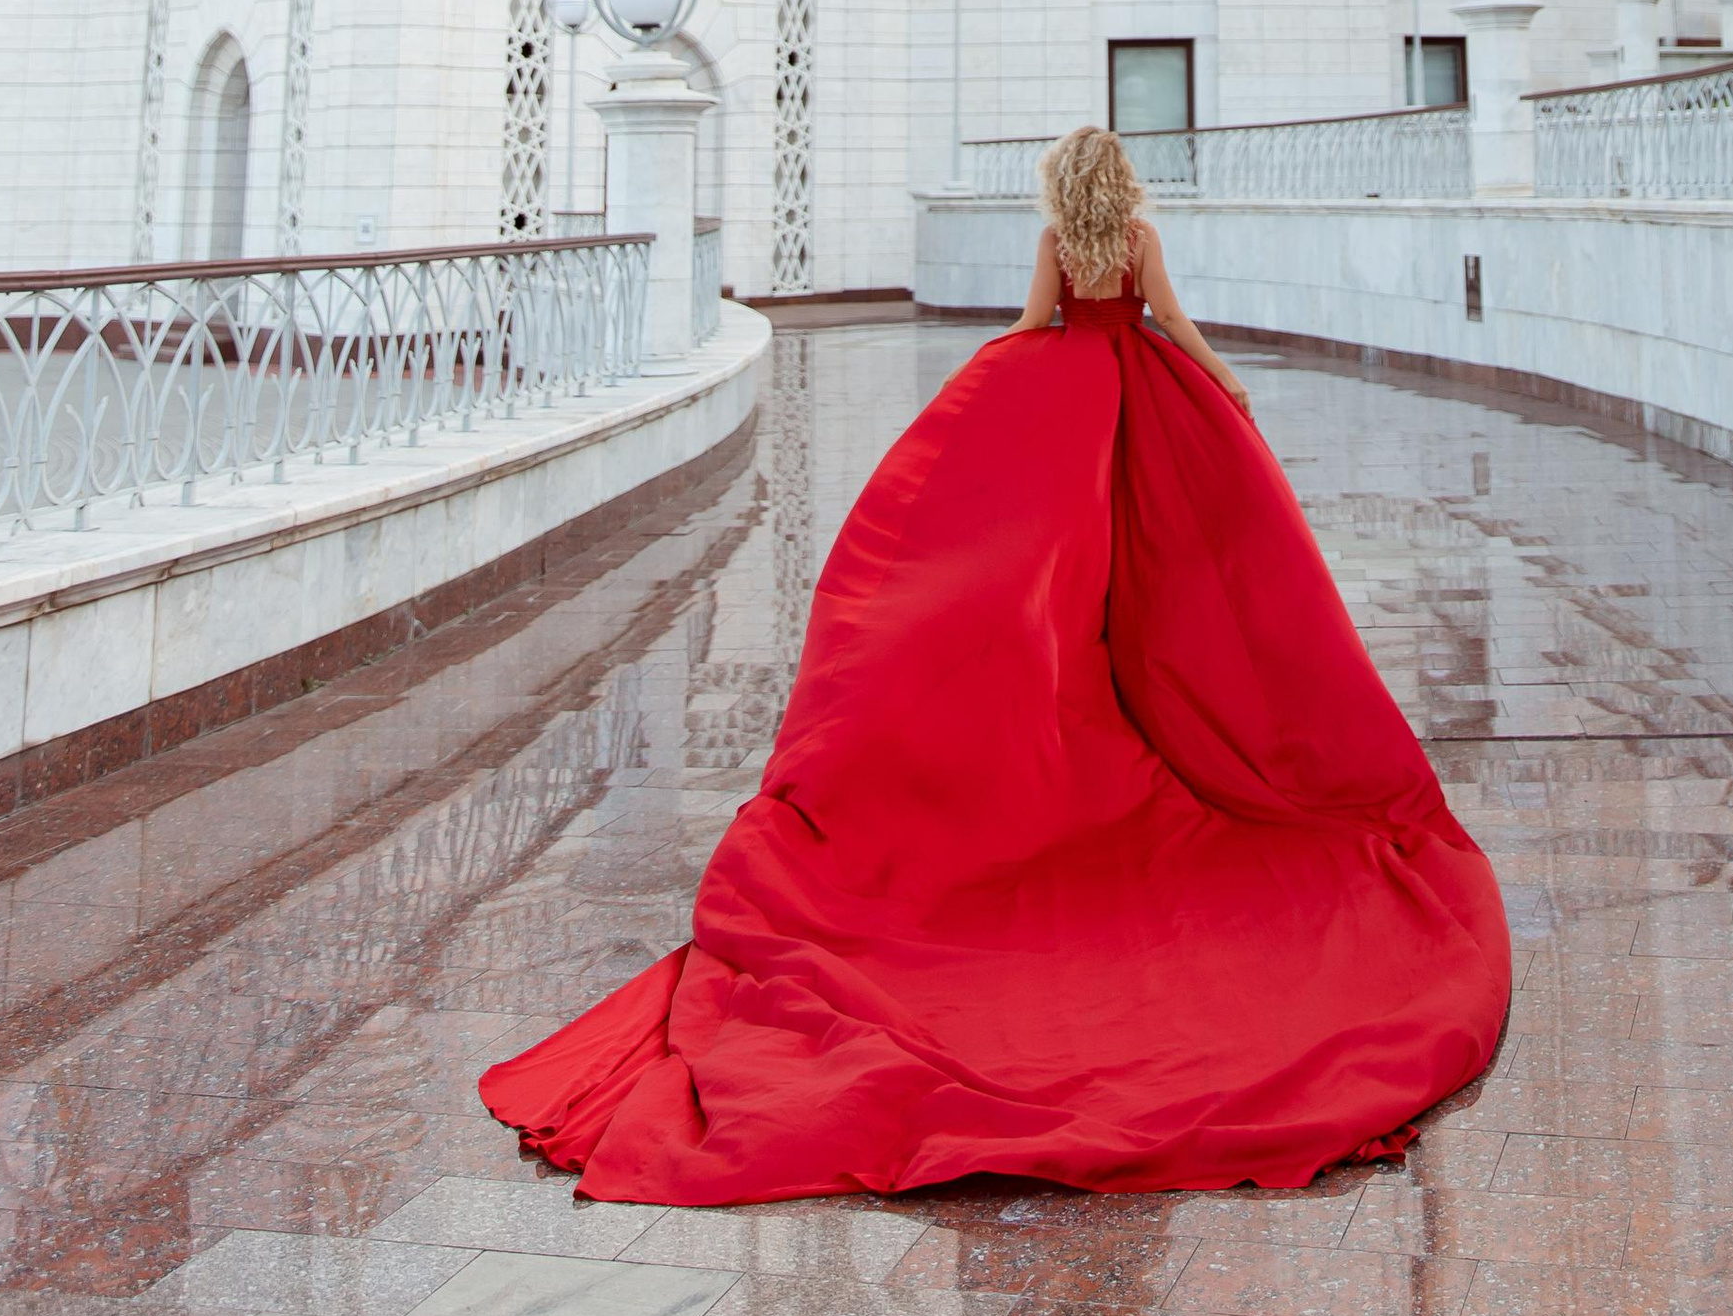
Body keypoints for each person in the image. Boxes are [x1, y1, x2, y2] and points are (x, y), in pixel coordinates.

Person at [481, 122, 1508, 1202]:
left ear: (1064, 185)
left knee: (1051, 565)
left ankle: (1084, 681)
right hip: (1143, 396)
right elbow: (1169, 320)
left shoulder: (1061, 240)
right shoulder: (1141, 235)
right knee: (1155, 555)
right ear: (1120, 182)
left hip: (1067, 399)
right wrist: (1223, 385)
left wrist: (988, 388)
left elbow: (1032, 326)